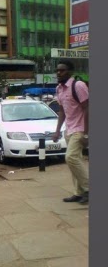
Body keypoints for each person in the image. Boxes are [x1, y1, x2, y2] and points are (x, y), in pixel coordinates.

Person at [52, 60, 89, 204]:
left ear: (70, 72)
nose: (59, 73)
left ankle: (88, 189)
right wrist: (57, 131)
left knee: (71, 157)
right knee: (76, 160)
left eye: (62, 70)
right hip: (69, 129)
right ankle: (79, 192)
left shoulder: (78, 86)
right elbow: (61, 111)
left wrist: (86, 133)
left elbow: (87, 108)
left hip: (80, 128)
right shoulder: (59, 89)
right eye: (57, 70)